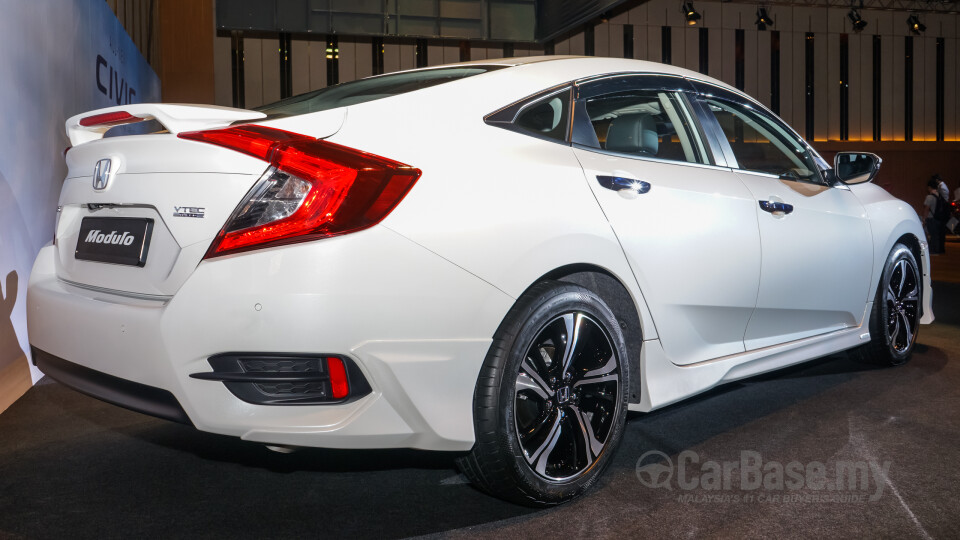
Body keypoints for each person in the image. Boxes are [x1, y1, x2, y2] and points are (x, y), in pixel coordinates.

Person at [924, 177, 948, 254]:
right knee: (937, 235)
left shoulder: (929, 197)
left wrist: (924, 219)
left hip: (931, 218)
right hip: (939, 218)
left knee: (932, 235)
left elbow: (927, 209)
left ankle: (933, 251)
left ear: (929, 187)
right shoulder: (940, 196)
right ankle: (938, 250)